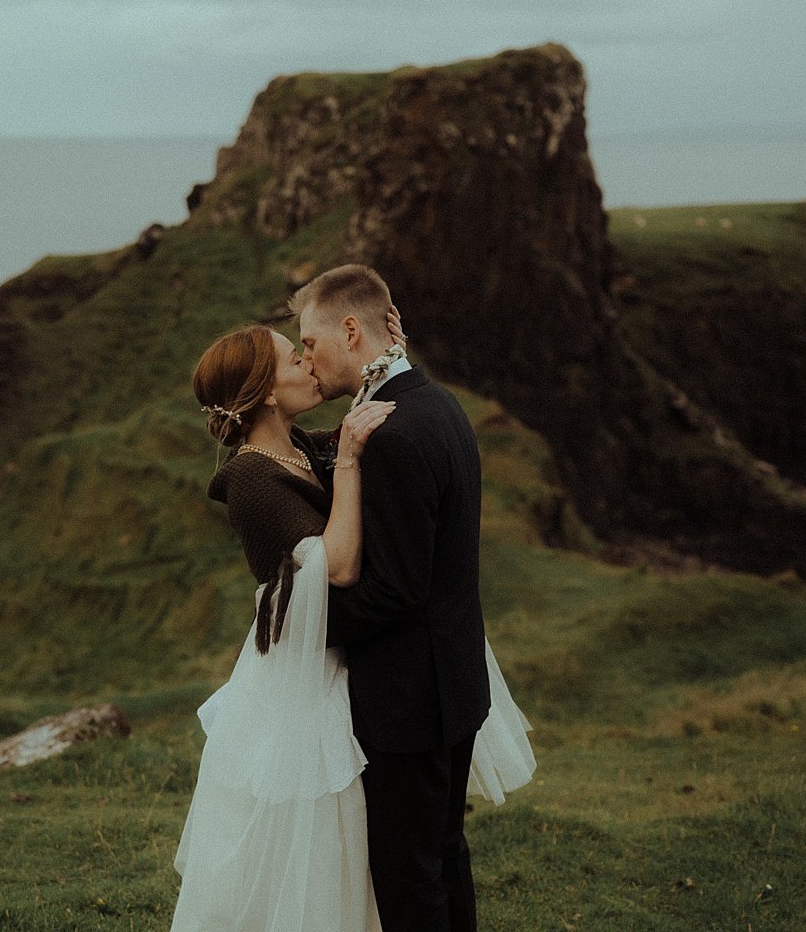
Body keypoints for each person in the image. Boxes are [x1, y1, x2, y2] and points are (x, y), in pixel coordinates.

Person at [170, 299, 534, 931]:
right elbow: (335, 567)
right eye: (294, 356)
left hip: (338, 669)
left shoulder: (298, 447)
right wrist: (349, 461)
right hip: (300, 687)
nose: (308, 361)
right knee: (318, 848)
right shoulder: (252, 480)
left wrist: (390, 356)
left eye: (306, 347)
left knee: (392, 851)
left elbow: (377, 409)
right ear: (264, 393)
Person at [291, 264, 495, 932]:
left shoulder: (393, 436)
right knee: (442, 858)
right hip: (452, 684)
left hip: (412, 700)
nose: (306, 361)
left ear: (351, 331)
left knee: (409, 882)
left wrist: (303, 621)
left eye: (311, 345)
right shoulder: (434, 404)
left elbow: (396, 591)